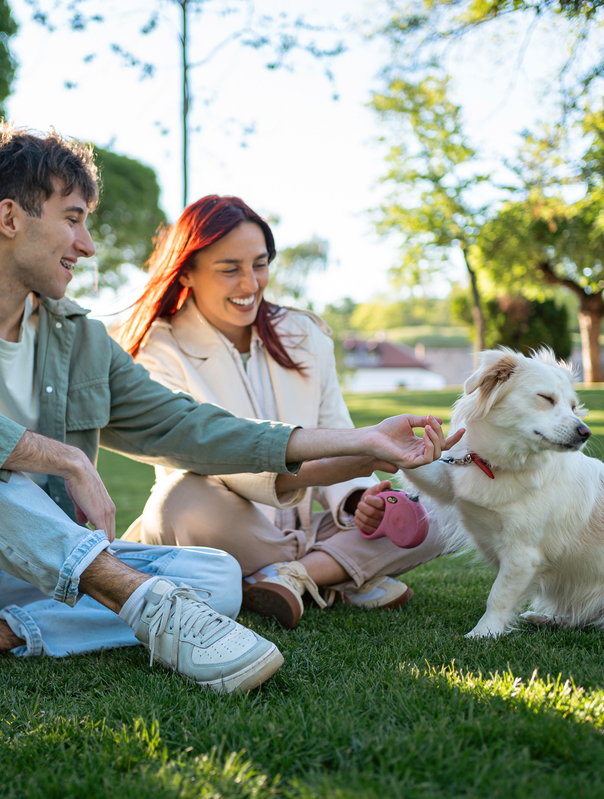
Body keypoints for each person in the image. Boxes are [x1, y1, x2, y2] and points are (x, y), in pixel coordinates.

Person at [0, 123, 450, 694]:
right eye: (74, 218)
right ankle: (142, 605)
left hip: (22, 567)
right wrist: (63, 460)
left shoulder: (78, 338)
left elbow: (187, 427)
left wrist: (362, 443)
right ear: (11, 217)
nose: (87, 245)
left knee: (219, 580)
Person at [118, 195, 463, 629]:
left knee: (441, 511)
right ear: (186, 271)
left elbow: (336, 429)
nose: (250, 284)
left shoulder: (305, 334)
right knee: (174, 504)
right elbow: (213, 457)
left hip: (308, 526)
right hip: (220, 529)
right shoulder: (157, 350)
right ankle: (342, 575)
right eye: (230, 269)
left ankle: (291, 577)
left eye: (259, 265)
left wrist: (358, 500)